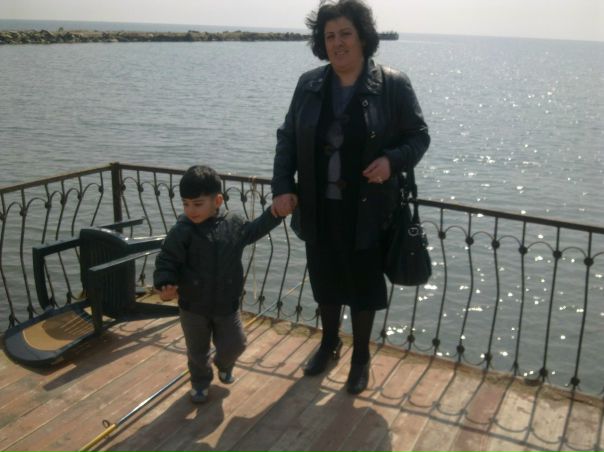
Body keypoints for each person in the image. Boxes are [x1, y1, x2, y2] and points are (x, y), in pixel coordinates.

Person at [271, 0, 430, 394]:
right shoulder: (309, 85)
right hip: (318, 205)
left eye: (345, 34)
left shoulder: (392, 85)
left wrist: (392, 161)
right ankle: (329, 343)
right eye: (329, 36)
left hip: (369, 209)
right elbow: (288, 137)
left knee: (363, 286)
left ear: (362, 38)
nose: (337, 43)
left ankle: (360, 357)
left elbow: (418, 136)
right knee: (324, 279)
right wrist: (282, 187)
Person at [154, 165, 282, 403]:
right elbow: (167, 259)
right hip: (192, 306)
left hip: (227, 304)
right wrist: (165, 283)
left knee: (237, 344)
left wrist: (275, 214)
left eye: (198, 204)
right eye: (186, 204)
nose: (191, 210)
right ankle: (200, 383)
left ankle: (224, 363)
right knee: (197, 352)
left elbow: (254, 230)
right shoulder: (182, 231)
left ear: (218, 201)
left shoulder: (233, 223)